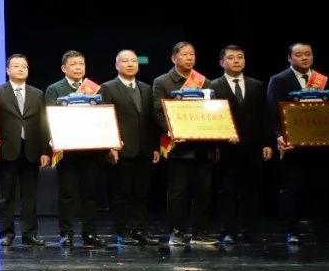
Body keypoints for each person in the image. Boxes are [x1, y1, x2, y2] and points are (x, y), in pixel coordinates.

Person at [266, 42, 329, 245]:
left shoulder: (322, 79)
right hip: (292, 145)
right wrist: (278, 136)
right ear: (289, 58)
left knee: (321, 189)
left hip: (319, 144)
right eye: (299, 54)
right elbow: (271, 113)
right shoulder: (279, 80)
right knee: (290, 189)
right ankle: (292, 232)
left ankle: (323, 233)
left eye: (308, 54)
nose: (304, 58)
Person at [152, 41, 218, 246]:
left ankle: (200, 232)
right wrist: (171, 131)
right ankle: (176, 232)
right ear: (174, 58)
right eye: (185, 54)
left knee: (203, 191)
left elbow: (214, 112)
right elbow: (158, 112)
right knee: (178, 192)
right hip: (178, 146)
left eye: (192, 54)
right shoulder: (162, 82)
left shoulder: (204, 81)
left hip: (203, 146)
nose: (190, 58)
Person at [43, 50, 107, 247]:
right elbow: (49, 118)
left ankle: (90, 234)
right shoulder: (55, 89)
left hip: (91, 149)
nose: (78, 67)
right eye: (73, 64)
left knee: (90, 195)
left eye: (81, 63)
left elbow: (103, 117)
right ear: (64, 68)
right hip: (67, 150)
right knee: (67, 195)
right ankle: (66, 234)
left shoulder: (94, 89)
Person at [210, 45, 272, 244]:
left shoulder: (256, 85)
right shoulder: (213, 86)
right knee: (226, 191)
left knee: (251, 190)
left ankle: (250, 231)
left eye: (240, 57)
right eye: (231, 57)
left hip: (252, 146)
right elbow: (210, 119)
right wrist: (216, 143)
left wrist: (267, 143)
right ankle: (229, 231)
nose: (236, 61)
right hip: (225, 148)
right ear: (222, 62)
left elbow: (264, 116)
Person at [0, 54, 49, 246]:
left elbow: (44, 124)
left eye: (24, 66)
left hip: (31, 151)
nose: (21, 69)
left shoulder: (37, 94)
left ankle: (30, 234)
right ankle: (6, 234)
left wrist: (45, 151)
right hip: (6, 151)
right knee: (6, 196)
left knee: (29, 196)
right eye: (16, 66)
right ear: (7, 70)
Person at [98, 50, 159, 246]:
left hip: (144, 148)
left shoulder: (146, 88)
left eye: (134, 61)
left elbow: (151, 120)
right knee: (121, 192)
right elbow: (105, 119)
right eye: (125, 61)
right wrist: (110, 145)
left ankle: (139, 230)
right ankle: (123, 232)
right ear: (117, 65)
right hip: (122, 148)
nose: (130, 64)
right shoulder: (108, 87)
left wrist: (155, 146)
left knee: (141, 193)